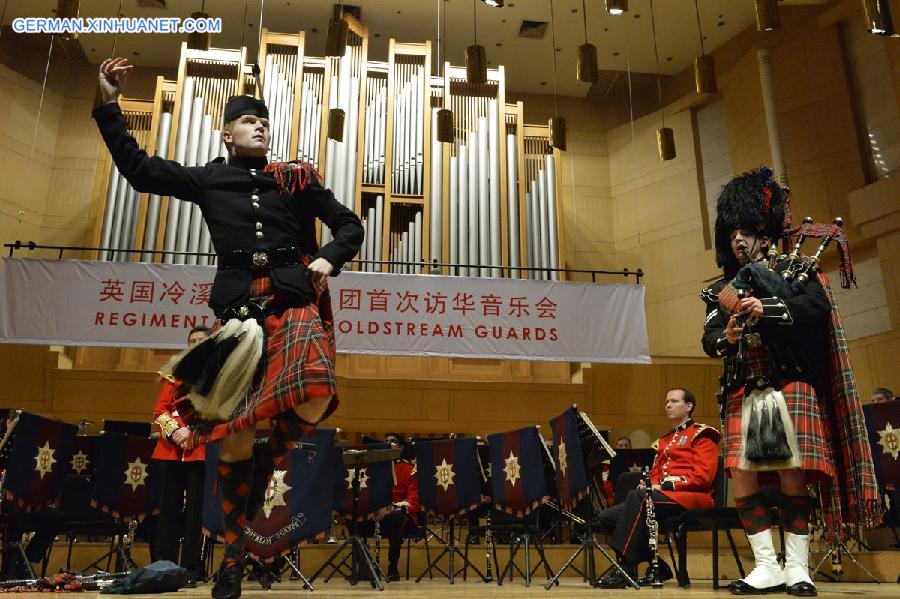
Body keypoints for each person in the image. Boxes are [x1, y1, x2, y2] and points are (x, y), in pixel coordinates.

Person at [93, 58, 363, 599]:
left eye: (265, 122)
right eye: (249, 122)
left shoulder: (295, 178)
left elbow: (349, 222)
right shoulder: (209, 178)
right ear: (227, 133)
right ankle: (234, 559)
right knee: (237, 435)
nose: (261, 127)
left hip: (292, 300)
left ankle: (258, 474)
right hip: (240, 313)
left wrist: (330, 258)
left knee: (316, 392)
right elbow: (141, 171)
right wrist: (109, 105)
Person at [701, 167, 881, 596]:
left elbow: (816, 312)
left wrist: (769, 310)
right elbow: (709, 338)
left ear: (765, 235)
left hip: (789, 384)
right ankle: (767, 566)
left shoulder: (797, 270)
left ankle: (798, 567)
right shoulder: (722, 289)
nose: (738, 240)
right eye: (732, 234)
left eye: (746, 232)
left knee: (791, 475)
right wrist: (725, 338)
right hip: (744, 387)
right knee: (741, 475)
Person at [595, 388, 719, 588]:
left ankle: (625, 568)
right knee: (607, 516)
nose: (668, 405)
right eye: (666, 401)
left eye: (674, 401)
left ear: (689, 407)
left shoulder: (702, 435)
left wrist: (664, 484)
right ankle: (658, 565)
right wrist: (648, 482)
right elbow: (654, 474)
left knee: (637, 498)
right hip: (662, 497)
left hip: (692, 497)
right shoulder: (664, 440)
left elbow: (703, 476)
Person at [150, 326, 212, 583]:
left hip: (201, 451)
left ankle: (191, 568)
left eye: (201, 340)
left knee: (197, 515)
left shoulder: (218, 376)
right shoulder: (172, 375)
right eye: (192, 341)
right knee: (167, 511)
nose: (196, 343)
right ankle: (163, 563)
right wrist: (176, 432)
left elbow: (220, 414)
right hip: (169, 450)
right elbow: (160, 411)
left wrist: (193, 436)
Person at [0, 412, 66, 581]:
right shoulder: (20, 444)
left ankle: (25, 563)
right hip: (6, 501)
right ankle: (8, 570)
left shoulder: (50, 449)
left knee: (56, 517)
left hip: (29, 504)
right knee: (14, 512)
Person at [379, 433, 421, 581]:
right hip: (376, 512)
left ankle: (393, 566)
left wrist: (391, 508)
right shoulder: (374, 467)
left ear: (401, 447)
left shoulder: (410, 469)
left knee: (395, 518)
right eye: (386, 441)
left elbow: (414, 502)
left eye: (393, 441)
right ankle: (364, 567)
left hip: (400, 515)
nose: (389, 443)